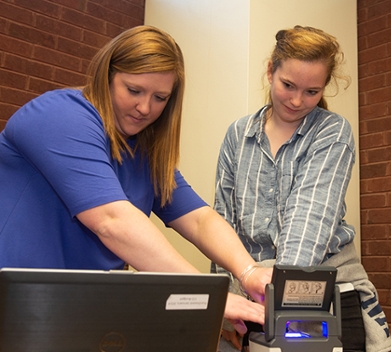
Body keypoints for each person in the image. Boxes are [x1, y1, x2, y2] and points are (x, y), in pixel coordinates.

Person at [0, 25, 272, 333]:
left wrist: (248, 271)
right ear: (107, 75)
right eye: (134, 90)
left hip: (80, 310)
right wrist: (210, 294)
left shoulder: (141, 148)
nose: (145, 108)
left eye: (159, 97)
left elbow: (198, 219)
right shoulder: (59, 115)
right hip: (17, 305)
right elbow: (112, 221)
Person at [212, 26, 391, 352]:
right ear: (270, 71)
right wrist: (223, 305)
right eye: (288, 85)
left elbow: (308, 224)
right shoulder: (238, 135)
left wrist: (284, 303)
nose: (297, 100)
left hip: (325, 292)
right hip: (252, 298)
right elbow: (222, 225)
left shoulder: (332, 131)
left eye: (312, 91)